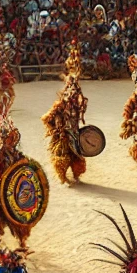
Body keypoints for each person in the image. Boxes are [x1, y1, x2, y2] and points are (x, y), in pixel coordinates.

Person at [0, 110, 44, 251]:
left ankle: (22, 242)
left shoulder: (17, 155)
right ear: (4, 138)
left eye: (14, 138)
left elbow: (24, 172)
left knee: (20, 221)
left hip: (14, 196)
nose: (12, 141)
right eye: (10, 138)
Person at [41, 42, 90, 186]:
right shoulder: (62, 103)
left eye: (75, 91)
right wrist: (58, 127)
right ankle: (63, 177)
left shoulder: (77, 103)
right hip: (63, 134)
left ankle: (76, 174)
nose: (73, 94)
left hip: (74, 133)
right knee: (62, 155)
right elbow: (51, 116)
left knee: (77, 155)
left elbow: (80, 115)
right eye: (71, 90)